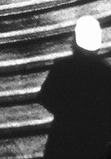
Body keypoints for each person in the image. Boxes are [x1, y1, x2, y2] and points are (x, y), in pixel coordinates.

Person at [38, 15, 111, 159]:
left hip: (63, 138)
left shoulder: (62, 67)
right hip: (94, 141)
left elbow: (44, 97)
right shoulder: (105, 72)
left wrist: (67, 113)